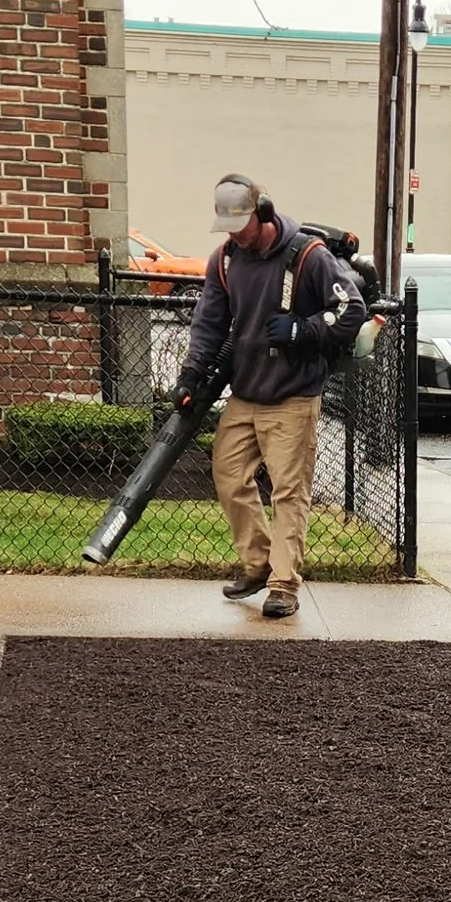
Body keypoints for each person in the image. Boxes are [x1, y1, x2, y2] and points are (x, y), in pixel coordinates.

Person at [178, 173, 367, 617]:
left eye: (241, 226)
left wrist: (305, 329)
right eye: (227, 228)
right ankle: (258, 563)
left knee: (288, 491)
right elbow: (209, 322)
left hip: (293, 395)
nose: (235, 236)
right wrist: (191, 373)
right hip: (245, 393)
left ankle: (284, 584)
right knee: (229, 476)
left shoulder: (308, 256)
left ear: (262, 214)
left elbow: (352, 309)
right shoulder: (225, 259)